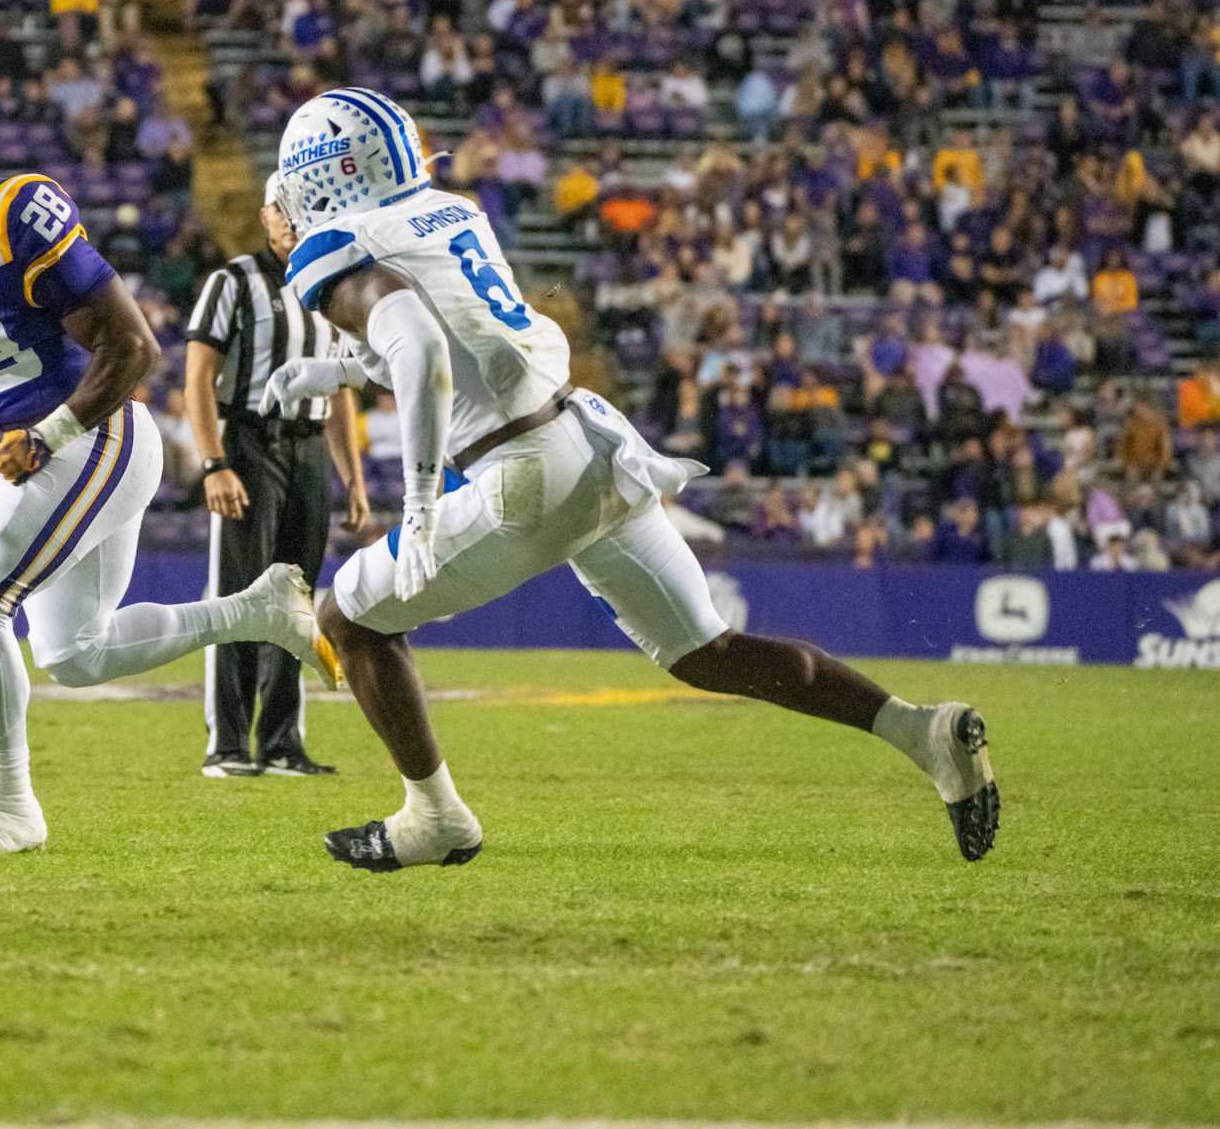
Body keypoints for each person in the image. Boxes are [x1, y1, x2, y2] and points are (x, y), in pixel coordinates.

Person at [259, 88, 1001, 873]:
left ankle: (435, 817)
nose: (276, 214)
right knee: (708, 651)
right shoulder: (449, 210)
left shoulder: (334, 242)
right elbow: (463, 336)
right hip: (591, 441)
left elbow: (421, 349)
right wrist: (336, 366)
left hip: (524, 475)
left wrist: (414, 503)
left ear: (319, 174)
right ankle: (921, 731)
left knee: (351, 616)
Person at [0, 74, 316, 856]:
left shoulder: (13, 215)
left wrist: (50, 433)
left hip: (94, 434)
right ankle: (258, 609)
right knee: (76, 655)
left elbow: (133, 348)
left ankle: (10, 808)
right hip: (51, 442)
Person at [182, 182, 371, 780]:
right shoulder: (233, 281)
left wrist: (353, 478)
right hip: (249, 440)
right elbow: (197, 378)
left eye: (301, 209)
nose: (291, 221)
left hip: (309, 447)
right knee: (240, 596)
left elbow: (338, 388)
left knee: (298, 603)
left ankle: (284, 741)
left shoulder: (328, 288)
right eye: (281, 210)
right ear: (263, 215)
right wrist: (214, 463)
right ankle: (229, 744)